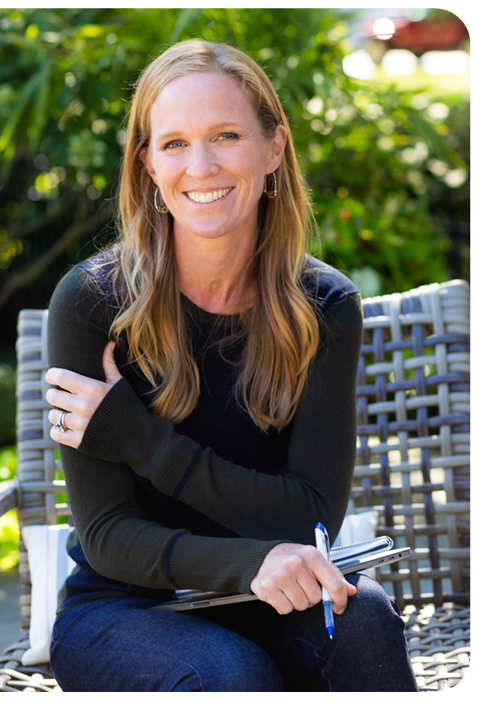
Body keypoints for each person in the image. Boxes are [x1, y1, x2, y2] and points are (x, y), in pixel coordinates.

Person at [45, 39, 418, 703]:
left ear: (273, 148)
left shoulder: (322, 306)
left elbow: (308, 515)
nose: (201, 165)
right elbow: (107, 537)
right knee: (229, 677)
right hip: (127, 611)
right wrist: (253, 560)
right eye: (174, 144)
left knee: (364, 620)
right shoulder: (93, 304)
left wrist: (138, 436)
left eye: (225, 135)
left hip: (275, 596)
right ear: (147, 164)